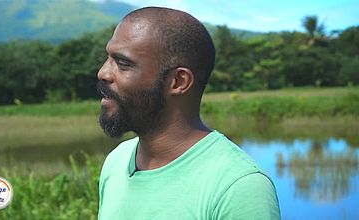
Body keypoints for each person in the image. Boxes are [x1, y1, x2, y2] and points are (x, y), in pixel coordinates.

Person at [96, 6, 280, 219]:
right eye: (108, 58)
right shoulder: (117, 161)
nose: (103, 72)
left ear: (178, 82)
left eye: (123, 63)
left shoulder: (238, 187)